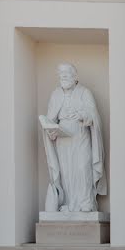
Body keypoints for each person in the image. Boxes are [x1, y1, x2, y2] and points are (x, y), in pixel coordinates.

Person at [41, 63, 107, 212]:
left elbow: (93, 115)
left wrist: (82, 114)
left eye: (67, 73)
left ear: (75, 76)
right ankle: (70, 203)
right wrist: (51, 131)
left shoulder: (84, 93)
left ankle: (86, 202)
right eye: (61, 74)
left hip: (80, 136)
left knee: (82, 167)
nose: (63, 76)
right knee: (66, 171)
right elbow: (51, 119)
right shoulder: (55, 95)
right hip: (62, 140)